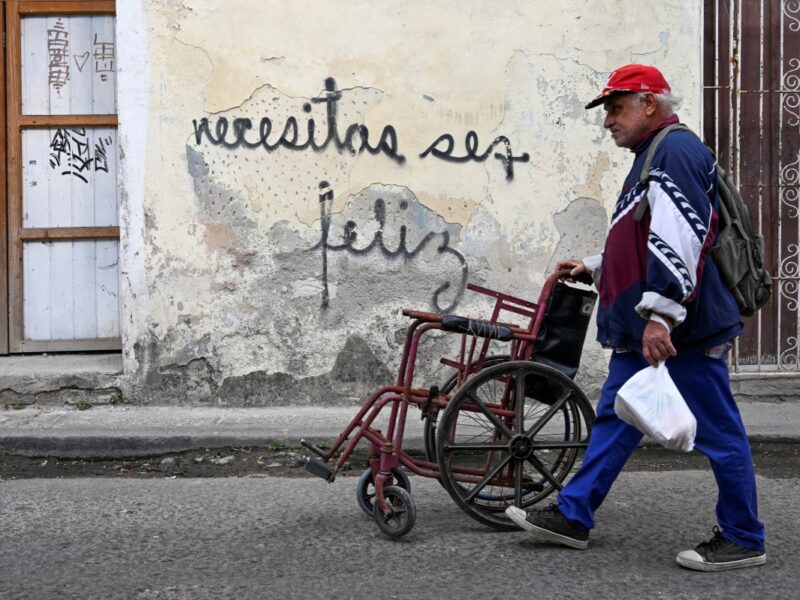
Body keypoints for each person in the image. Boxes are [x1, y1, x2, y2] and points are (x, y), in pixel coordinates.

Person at [505, 64, 766, 572]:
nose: (608, 121)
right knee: (617, 417)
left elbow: (682, 238)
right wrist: (598, 266)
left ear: (649, 103)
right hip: (648, 327)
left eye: (615, 108)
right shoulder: (654, 152)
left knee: (718, 431)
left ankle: (744, 536)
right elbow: (644, 236)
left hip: (680, 330)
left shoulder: (675, 150)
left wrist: (661, 318)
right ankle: (574, 514)